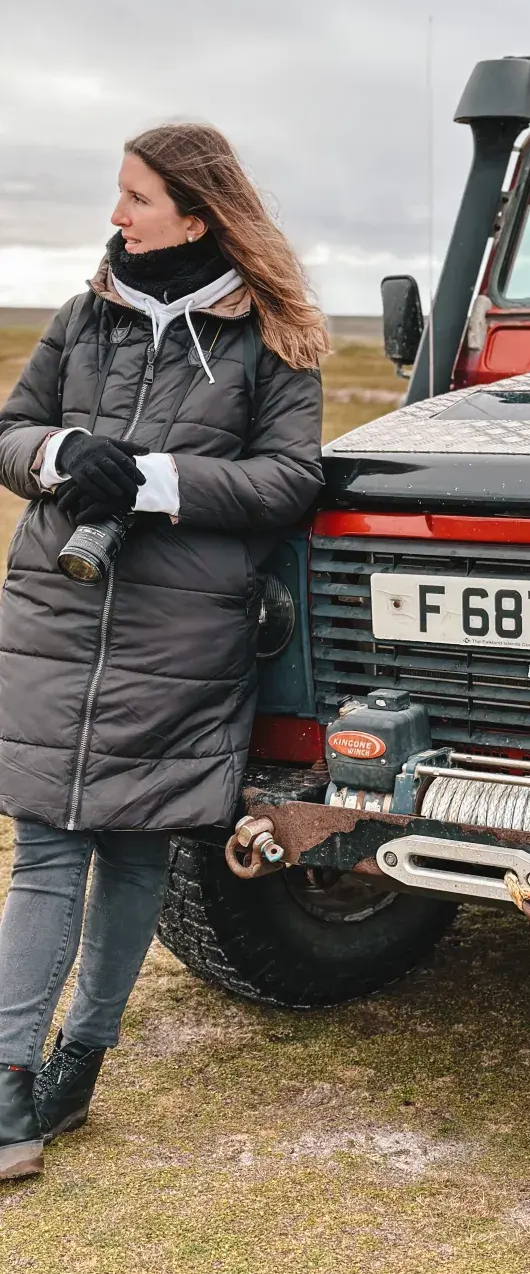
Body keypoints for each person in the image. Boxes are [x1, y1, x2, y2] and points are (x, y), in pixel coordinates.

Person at [0, 123, 328, 1179]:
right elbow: (8, 430)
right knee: (48, 845)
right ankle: (8, 1093)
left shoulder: (272, 335)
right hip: (59, 612)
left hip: (180, 632)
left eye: (134, 196)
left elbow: (289, 482)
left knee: (137, 850)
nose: (115, 215)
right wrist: (62, 456)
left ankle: (77, 1067)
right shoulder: (86, 311)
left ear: (196, 211)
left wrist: (151, 481)